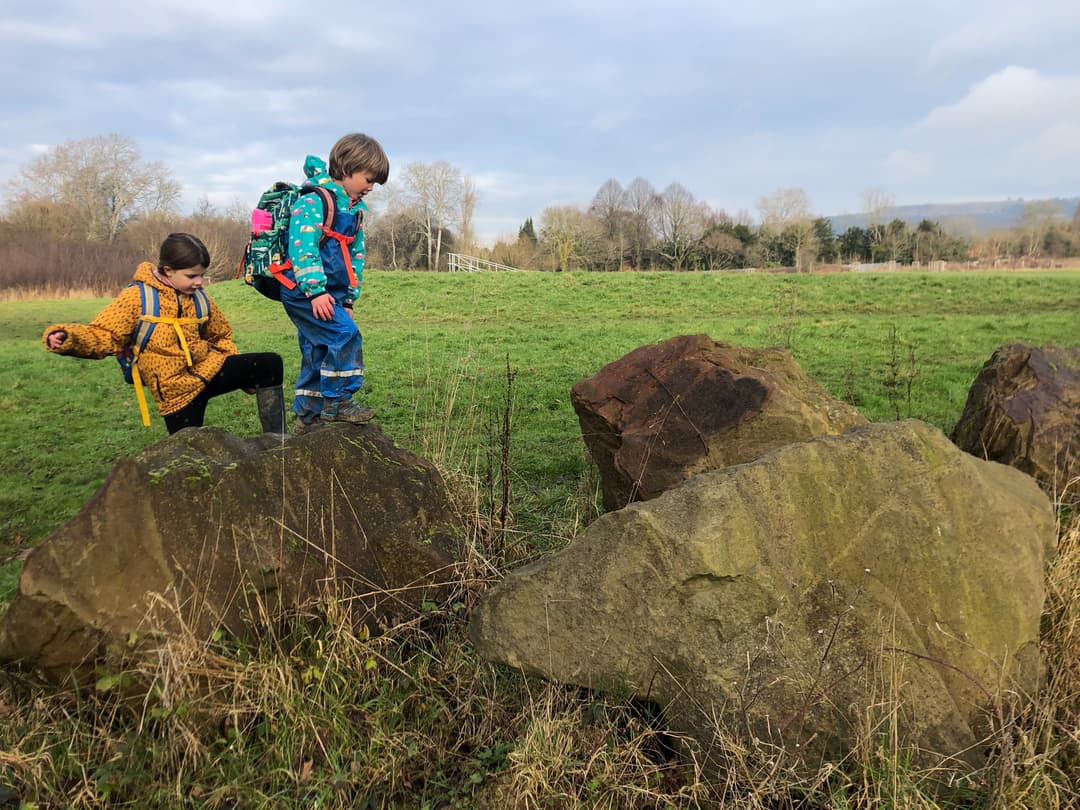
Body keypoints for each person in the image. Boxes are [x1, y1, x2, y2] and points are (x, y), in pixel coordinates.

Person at [43, 232, 286, 435]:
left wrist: (241, 373)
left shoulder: (200, 297)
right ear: (167, 270)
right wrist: (69, 338)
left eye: (202, 274)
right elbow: (105, 336)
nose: (200, 282)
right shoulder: (137, 298)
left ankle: (278, 446)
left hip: (209, 370)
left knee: (268, 364)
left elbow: (220, 335)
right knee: (188, 460)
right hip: (176, 392)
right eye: (192, 276)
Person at [280, 132, 389, 434]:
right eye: (368, 179)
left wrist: (349, 299)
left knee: (318, 346)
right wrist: (315, 291)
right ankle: (339, 400)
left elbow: (355, 257)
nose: (370, 187)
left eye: (374, 183)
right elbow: (303, 246)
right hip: (303, 291)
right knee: (345, 334)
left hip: (331, 295)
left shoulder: (352, 212)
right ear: (346, 170)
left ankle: (308, 416)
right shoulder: (315, 200)